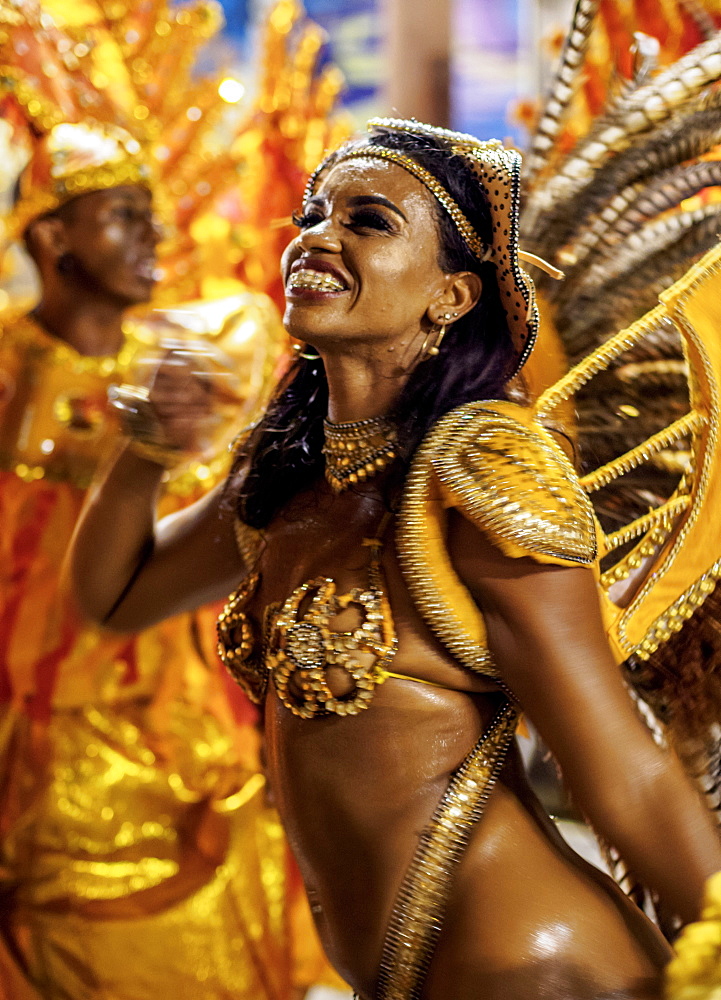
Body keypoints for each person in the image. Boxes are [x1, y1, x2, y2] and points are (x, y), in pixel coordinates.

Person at [69, 118, 721, 1000]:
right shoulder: (291, 474)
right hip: (397, 972)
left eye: (368, 221)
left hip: (525, 966)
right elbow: (117, 596)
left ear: (450, 296)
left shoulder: (475, 472)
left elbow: (619, 765)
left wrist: (713, 935)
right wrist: (146, 451)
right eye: (312, 214)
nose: (317, 237)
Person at [0, 120, 336, 1000]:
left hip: (191, 703)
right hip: (45, 710)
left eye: (153, 211)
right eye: (121, 213)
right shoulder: (8, 360)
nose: (154, 233)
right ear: (51, 235)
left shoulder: (188, 358)